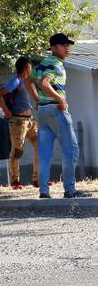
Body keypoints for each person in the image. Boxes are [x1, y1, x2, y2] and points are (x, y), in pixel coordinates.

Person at [30, 33, 91, 199]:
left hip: (42, 112)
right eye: (63, 45)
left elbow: (29, 80)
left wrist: (37, 99)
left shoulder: (43, 63)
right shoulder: (56, 64)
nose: (67, 48)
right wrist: (60, 98)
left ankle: (44, 191)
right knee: (70, 150)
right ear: (54, 48)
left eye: (67, 45)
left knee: (44, 153)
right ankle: (70, 190)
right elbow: (43, 83)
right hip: (56, 111)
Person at [0, 56, 38, 190]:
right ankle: (15, 181)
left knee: (40, 146)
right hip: (18, 121)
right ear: (26, 67)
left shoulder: (26, 82)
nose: (31, 69)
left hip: (29, 120)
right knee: (17, 151)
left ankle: (37, 179)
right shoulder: (16, 81)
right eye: (30, 66)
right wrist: (6, 111)